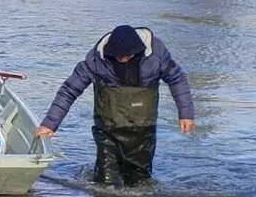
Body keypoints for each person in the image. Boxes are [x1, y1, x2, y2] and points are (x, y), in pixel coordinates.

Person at [35, 25, 194, 187]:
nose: (124, 59)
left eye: (129, 55)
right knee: (105, 184)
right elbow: (69, 90)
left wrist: (186, 114)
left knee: (139, 184)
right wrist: (49, 124)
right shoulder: (95, 62)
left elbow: (177, 80)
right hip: (107, 132)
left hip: (143, 131)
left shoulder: (157, 56)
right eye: (120, 56)